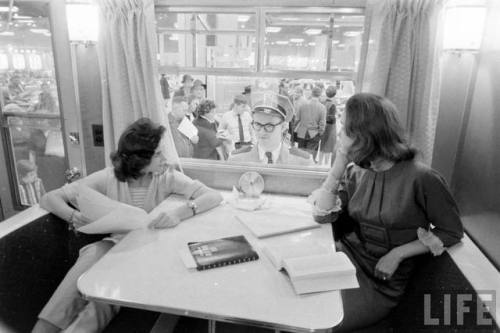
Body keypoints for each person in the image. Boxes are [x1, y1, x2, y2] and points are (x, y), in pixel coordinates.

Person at [32, 118, 223, 333]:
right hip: (115, 246)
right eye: (158, 154)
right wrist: (72, 215)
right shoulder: (108, 177)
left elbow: (212, 196)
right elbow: (50, 198)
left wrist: (179, 213)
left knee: (107, 293)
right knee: (85, 266)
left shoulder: (166, 176)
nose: (165, 158)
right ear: (139, 159)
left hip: (150, 253)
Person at [308, 93, 463, 331]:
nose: (339, 134)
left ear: (365, 136)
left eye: (345, 130)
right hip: (344, 258)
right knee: (293, 302)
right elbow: (322, 215)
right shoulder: (355, 172)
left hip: (382, 281)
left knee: (320, 322)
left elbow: (451, 232)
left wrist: (399, 253)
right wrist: (339, 164)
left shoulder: (422, 179)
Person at [229, 91, 313, 166]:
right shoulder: (237, 159)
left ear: (283, 127)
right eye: (257, 125)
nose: (261, 132)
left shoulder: (303, 161)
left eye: (269, 126)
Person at [294, 86, 326, 161]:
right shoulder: (322, 107)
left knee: (301, 156)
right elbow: (322, 123)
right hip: (314, 134)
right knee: (310, 158)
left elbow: (297, 119)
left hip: (301, 133)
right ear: (320, 95)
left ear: (311, 93)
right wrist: (320, 133)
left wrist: (293, 129)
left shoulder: (302, 105)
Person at [318, 85, 337, 166]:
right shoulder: (333, 104)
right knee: (329, 146)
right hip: (330, 126)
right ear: (335, 94)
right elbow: (331, 118)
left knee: (322, 145)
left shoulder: (323, 101)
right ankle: (326, 164)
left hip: (323, 125)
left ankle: (319, 163)